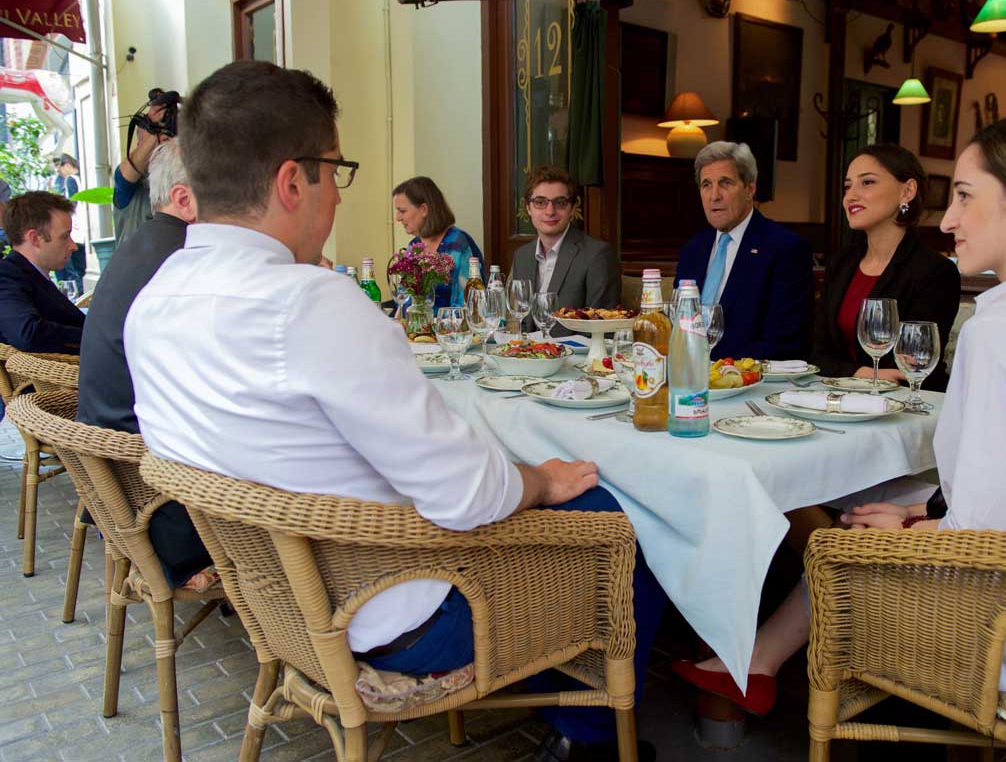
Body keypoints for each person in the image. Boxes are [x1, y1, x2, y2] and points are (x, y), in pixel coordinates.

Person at [124, 60, 664, 762]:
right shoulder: (308, 304)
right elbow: (470, 494)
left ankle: (561, 686)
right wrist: (541, 479)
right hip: (397, 622)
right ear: (293, 180)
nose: (340, 198)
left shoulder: (155, 301)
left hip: (279, 602)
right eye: (335, 172)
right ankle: (588, 738)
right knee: (628, 515)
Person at [673, 111, 1006, 713]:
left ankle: (756, 665)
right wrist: (922, 510)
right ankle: (758, 661)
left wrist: (912, 529)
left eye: (964, 195)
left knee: (834, 535)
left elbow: (984, 540)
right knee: (870, 499)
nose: (949, 219)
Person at [75, 139, 211, 588]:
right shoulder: (185, 259)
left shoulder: (140, 243)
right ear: (184, 198)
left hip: (117, 489)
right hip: (167, 508)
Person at [811, 144, 961, 391]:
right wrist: (860, 372)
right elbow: (817, 352)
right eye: (848, 186)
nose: (851, 196)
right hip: (839, 397)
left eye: (867, 182)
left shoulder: (934, 271)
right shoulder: (841, 263)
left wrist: (848, 371)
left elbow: (910, 362)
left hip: (908, 404)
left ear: (907, 191)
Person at [675, 142, 813, 360]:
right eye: (706, 185)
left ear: (750, 189)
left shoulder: (785, 248)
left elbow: (783, 342)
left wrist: (718, 370)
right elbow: (678, 325)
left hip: (749, 383)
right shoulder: (693, 249)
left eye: (725, 183)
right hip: (688, 377)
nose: (714, 196)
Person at [510, 166, 621, 336]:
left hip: (576, 359)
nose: (550, 211)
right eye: (540, 202)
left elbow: (602, 331)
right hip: (530, 357)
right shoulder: (522, 256)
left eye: (560, 203)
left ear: (572, 207)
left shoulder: (597, 255)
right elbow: (521, 323)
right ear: (528, 207)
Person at [0, 191, 85, 354]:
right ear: (34, 238)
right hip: (62, 378)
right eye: (65, 237)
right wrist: (96, 338)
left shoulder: (31, 274)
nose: (73, 246)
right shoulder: (6, 274)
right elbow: (27, 334)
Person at [394, 176, 483, 310]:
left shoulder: (457, 243)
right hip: (416, 329)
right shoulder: (414, 246)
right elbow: (403, 300)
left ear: (424, 209)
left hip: (451, 329)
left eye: (402, 211)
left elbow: (469, 303)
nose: (397, 218)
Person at [114, 102, 170, 247]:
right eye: (158, 140)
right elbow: (125, 175)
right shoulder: (130, 187)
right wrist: (155, 132)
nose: (163, 145)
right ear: (140, 146)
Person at [51, 154, 87, 291]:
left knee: (70, 270)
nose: (60, 174)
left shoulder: (70, 180)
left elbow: (71, 205)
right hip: (83, 232)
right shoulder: (81, 178)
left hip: (75, 230)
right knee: (80, 269)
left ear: (66, 165)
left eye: (59, 170)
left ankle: (74, 294)